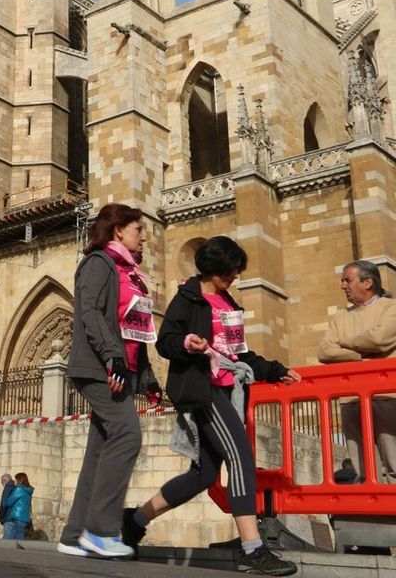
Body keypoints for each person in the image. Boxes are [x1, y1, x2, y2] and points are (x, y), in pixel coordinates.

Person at [124, 236, 300, 577]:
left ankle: (134, 520)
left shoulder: (228, 302)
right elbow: (166, 342)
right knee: (240, 457)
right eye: (231, 270)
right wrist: (188, 343)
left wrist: (275, 370)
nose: (235, 275)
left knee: (203, 474)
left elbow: (239, 354)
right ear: (214, 268)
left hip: (226, 388)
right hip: (202, 390)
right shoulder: (187, 298)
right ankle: (253, 549)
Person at [59, 203, 160, 559]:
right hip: (99, 368)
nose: (144, 236)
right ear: (118, 231)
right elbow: (90, 311)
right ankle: (101, 531)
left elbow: (135, 330)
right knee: (127, 435)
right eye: (137, 230)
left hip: (121, 371)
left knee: (99, 450)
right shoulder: (98, 263)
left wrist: (146, 378)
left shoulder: (130, 273)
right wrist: (111, 357)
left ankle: (74, 535)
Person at [317, 259, 396, 483]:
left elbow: (380, 339)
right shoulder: (341, 316)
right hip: (350, 399)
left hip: (386, 396)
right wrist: (360, 355)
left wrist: (343, 343)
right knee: (362, 466)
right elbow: (324, 351)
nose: (343, 286)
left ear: (368, 282)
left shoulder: (391, 308)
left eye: (347, 280)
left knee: (393, 460)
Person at [4, 473, 34, 540]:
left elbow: (9, 502)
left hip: (17, 516)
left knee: (13, 538)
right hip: (25, 518)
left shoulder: (19, 489)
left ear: (19, 480)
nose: (14, 481)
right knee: (19, 536)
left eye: (15, 479)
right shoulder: (28, 491)